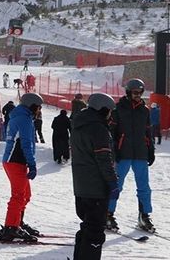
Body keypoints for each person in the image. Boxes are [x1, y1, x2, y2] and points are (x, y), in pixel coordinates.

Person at [71, 93, 119, 260]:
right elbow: (104, 160)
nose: (110, 115)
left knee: (87, 227)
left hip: (81, 187)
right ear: (103, 109)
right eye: (109, 111)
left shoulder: (80, 124)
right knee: (95, 232)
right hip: (96, 189)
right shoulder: (98, 129)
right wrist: (113, 183)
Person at [107, 79, 155, 233]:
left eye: (141, 92)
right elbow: (111, 133)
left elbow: (148, 132)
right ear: (128, 92)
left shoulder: (145, 110)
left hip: (140, 153)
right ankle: (108, 213)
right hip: (123, 153)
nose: (138, 96)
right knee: (116, 186)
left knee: (144, 187)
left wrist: (151, 150)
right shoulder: (118, 109)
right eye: (135, 92)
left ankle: (144, 215)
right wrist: (114, 151)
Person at [0, 93, 43, 242]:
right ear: (32, 106)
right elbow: (26, 143)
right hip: (16, 161)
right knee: (18, 195)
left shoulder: (20, 116)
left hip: (14, 160)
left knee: (26, 194)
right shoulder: (24, 120)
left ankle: (17, 222)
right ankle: (11, 227)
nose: (39, 110)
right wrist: (32, 163)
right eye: (38, 107)